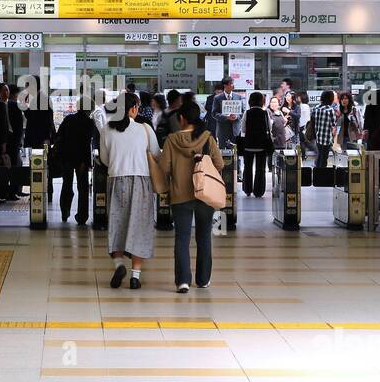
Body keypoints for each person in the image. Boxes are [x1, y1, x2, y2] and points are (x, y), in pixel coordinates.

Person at [93, 92, 160, 289]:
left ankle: (119, 264)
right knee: (140, 226)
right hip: (141, 181)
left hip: (116, 180)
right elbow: (155, 154)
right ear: (132, 109)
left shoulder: (107, 130)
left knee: (116, 223)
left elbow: (104, 160)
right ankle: (135, 277)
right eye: (137, 107)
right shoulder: (145, 129)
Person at [159, 99, 224, 294]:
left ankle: (183, 281)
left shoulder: (171, 140)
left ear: (182, 118)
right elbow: (219, 164)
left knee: (182, 239)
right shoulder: (207, 138)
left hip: (180, 196)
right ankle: (203, 279)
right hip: (205, 195)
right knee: (204, 237)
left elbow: (164, 168)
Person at [52, 96, 95, 225]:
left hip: (66, 158)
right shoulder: (89, 122)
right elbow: (86, 144)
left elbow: (59, 136)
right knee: (83, 189)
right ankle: (82, 217)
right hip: (81, 159)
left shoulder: (69, 119)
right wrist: (86, 162)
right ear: (90, 108)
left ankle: (65, 212)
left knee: (67, 185)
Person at [238, 91, 273, 197]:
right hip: (261, 145)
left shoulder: (247, 113)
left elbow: (243, 129)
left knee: (247, 168)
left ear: (250, 101)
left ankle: (247, 189)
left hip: (248, 145)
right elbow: (269, 129)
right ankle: (258, 191)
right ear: (262, 101)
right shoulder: (265, 113)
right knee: (260, 169)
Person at [205, 77, 241, 149]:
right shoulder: (217, 98)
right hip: (222, 129)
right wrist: (226, 117)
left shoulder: (238, 97)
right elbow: (214, 113)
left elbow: (242, 112)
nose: (233, 86)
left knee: (235, 152)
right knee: (223, 152)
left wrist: (237, 116)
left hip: (235, 129)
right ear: (225, 86)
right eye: (231, 84)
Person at [21, 78, 55, 152]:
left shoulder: (41, 98)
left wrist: (46, 138)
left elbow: (46, 119)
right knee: (40, 160)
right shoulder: (40, 97)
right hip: (40, 138)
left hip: (40, 138)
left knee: (40, 160)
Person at [4, 83, 25, 199]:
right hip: (13, 142)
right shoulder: (14, 106)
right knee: (15, 166)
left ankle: (15, 190)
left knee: (14, 165)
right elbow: (19, 126)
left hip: (6, 142)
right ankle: (13, 191)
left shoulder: (4, 105)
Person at [311, 89, 338, 172]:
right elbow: (333, 124)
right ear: (330, 99)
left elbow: (312, 121)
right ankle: (322, 176)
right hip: (326, 138)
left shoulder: (316, 108)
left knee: (319, 156)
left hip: (318, 136)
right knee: (324, 158)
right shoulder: (330, 110)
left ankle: (316, 174)